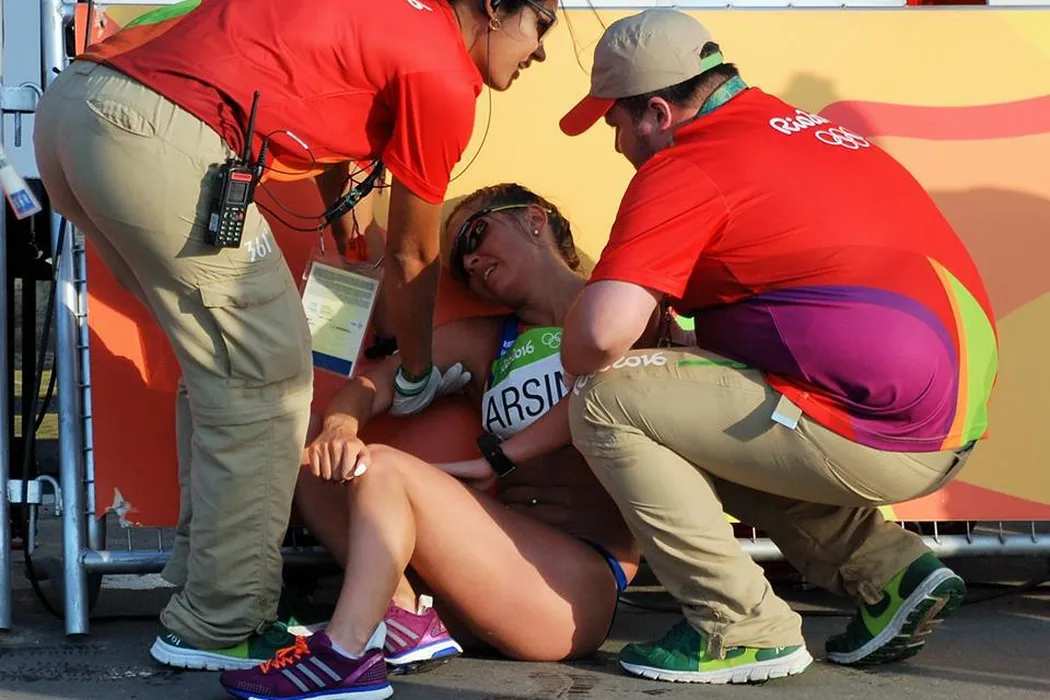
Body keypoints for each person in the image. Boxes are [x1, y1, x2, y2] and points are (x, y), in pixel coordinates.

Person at [32, 0, 558, 670]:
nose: (542, 50)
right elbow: (414, 255)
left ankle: (200, 590)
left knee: (223, 366)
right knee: (268, 377)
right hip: (154, 127)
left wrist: (346, 231)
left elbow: (327, 122)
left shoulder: (393, 19)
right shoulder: (443, 69)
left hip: (75, 113)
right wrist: (418, 370)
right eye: (543, 23)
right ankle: (221, 623)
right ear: (493, 8)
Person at [556, 8, 998, 685]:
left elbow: (597, 337)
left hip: (884, 431)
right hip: (945, 421)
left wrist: (568, 333)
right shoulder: (799, 128)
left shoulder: (691, 162)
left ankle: (739, 627)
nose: (616, 144)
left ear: (657, 114)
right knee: (689, 411)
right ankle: (890, 571)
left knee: (605, 398)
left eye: (615, 123)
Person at [218, 183, 642, 700]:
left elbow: (620, 399)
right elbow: (370, 386)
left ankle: (345, 653)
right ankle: (399, 615)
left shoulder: (628, 307)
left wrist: (500, 457)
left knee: (385, 468)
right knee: (304, 435)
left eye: (476, 235)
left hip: (574, 586)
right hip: (481, 577)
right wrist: (339, 429)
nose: (472, 261)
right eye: (461, 262)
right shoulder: (487, 340)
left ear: (535, 219)